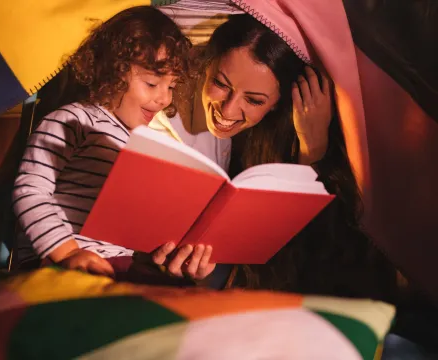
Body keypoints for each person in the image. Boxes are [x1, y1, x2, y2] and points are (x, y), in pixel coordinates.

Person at [150, 14, 399, 300]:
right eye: (220, 83)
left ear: (279, 102)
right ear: (207, 66)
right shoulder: (170, 101)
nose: (228, 111)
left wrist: (312, 151)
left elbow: (319, 256)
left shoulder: (294, 134)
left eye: (254, 100)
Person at [12, 6, 194, 278]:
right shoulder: (73, 120)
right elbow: (30, 190)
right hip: (61, 263)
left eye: (171, 86)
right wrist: (67, 252)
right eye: (152, 83)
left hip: (122, 266)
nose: (165, 99)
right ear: (113, 71)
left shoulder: (144, 142)